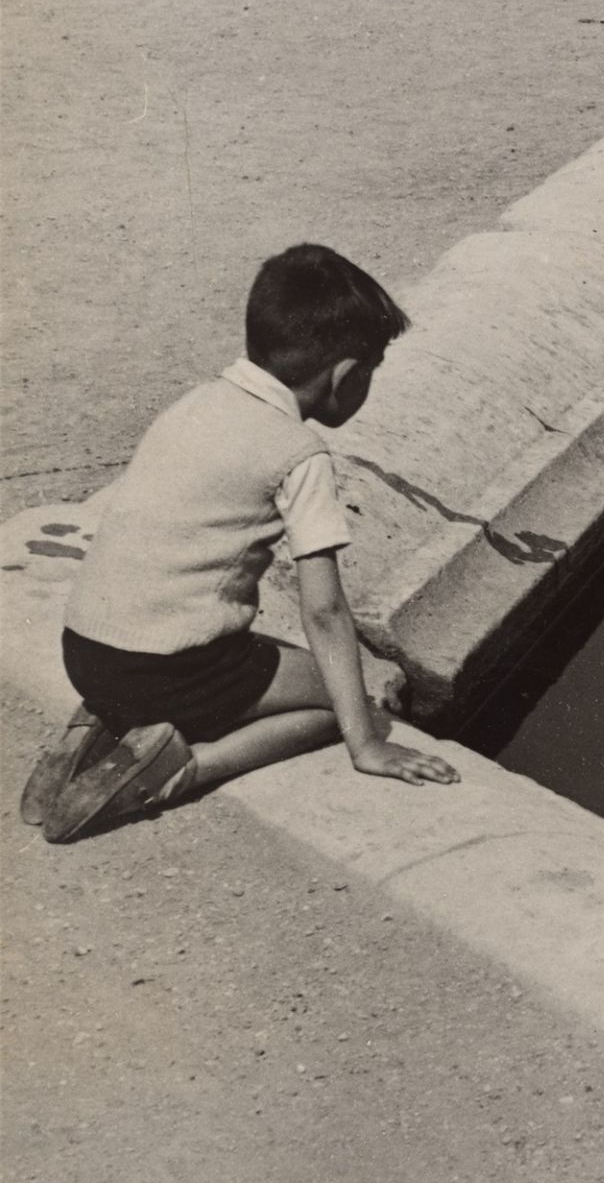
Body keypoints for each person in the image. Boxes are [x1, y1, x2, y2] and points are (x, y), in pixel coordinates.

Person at [24, 244, 459, 843]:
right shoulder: (298, 453)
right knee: (352, 694)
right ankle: (183, 768)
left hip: (87, 652)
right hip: (165, 667)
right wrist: (367, 742)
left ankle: (113, 724)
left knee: (264, 658)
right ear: (346, 375)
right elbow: (325, 610)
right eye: (372, 371)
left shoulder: (196, 403)